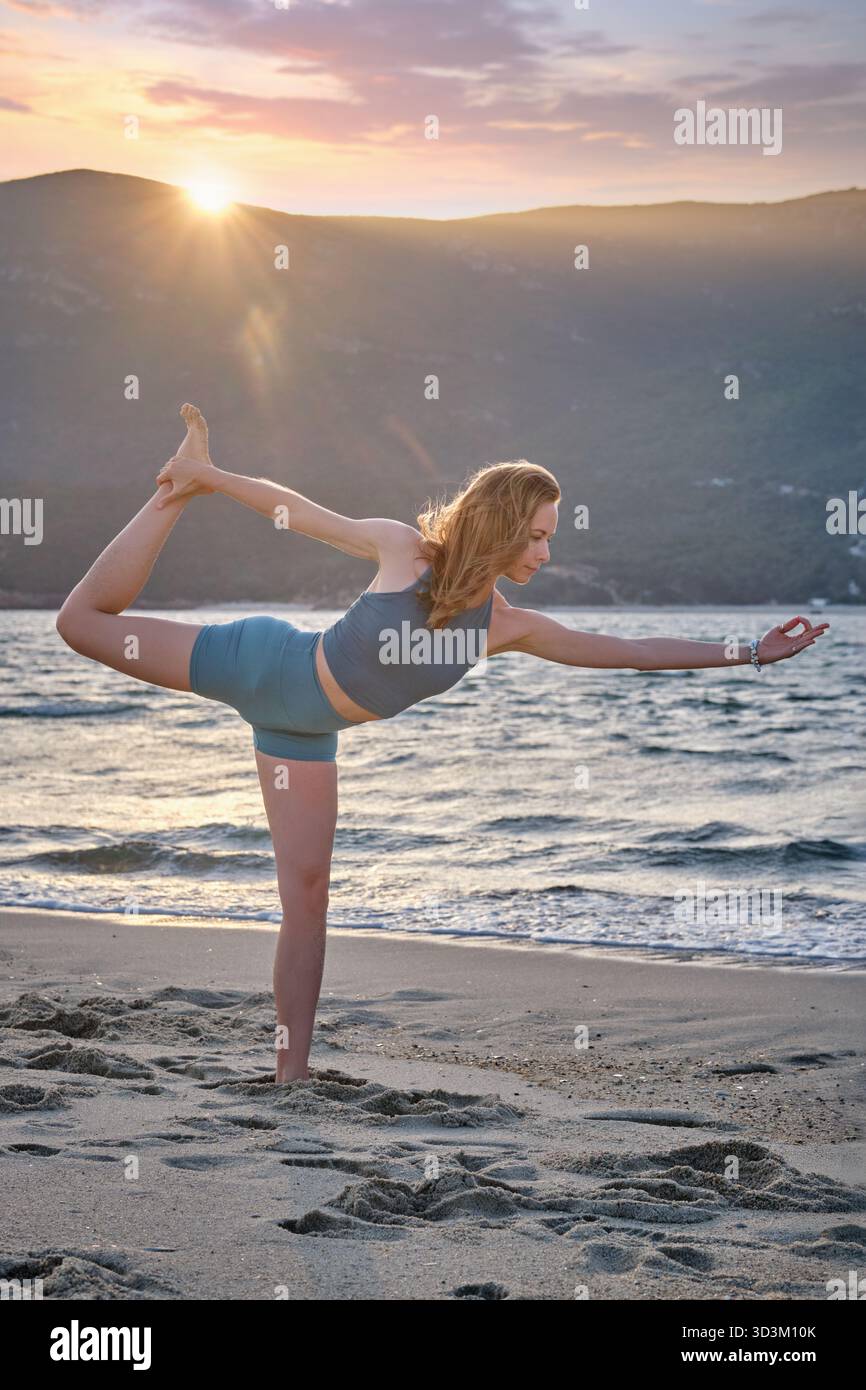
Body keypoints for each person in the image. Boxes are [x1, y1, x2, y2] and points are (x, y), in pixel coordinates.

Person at [55, 404, 830, 1083]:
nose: (545, 554)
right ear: (498, 523)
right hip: (263, 662)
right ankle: (175, 491)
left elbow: (625, 647)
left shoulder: (506, 626)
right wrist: (213, 478)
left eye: (550, 538)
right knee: (82, 624)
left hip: (305, 734)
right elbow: (295, 509)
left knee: (309, 897)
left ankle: (291, 1074)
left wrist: (750, 652)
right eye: (535, 535)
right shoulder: (403, 552)